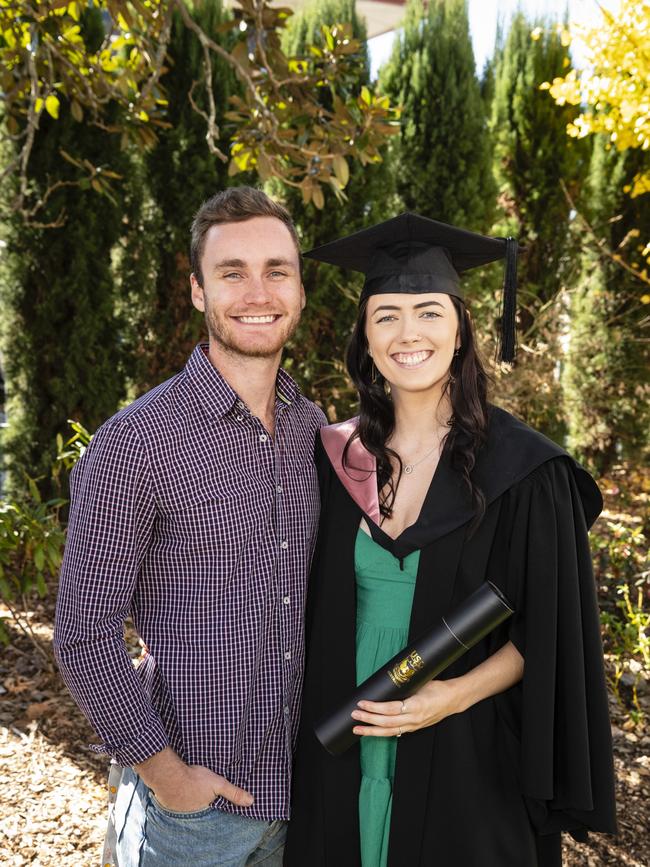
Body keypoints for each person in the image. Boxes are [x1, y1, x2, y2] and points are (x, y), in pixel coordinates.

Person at [284, 213, 617, 867]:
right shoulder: (331, 457)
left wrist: (449, 695)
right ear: (366, 339)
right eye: (387, 316)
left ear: (460, 328)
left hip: (466, 755)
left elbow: (549, 636)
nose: (409, 333)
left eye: (429, 312)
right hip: (342, 741)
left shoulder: (524, 471)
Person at [53, 186, 326, 867]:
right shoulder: (136, 444)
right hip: (196, 820)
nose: (257, 291)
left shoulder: (313, 429)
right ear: (199, 291)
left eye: (277, 270)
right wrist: (167, 777)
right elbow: (85, 634)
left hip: (311, 796)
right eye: (232, 272)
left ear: (299, 287)